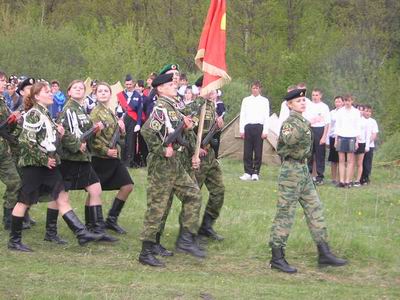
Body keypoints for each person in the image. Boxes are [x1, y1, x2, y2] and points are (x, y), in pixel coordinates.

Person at [8, 82, 102, 252]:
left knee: (61, 197)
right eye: (47, 92)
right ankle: (14, 241)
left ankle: (81, 233)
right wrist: (45, 160)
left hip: (48, 165)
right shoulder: (33, 114)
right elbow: (26, 143)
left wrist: (58, 133)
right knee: (24, 201)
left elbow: (48, 141)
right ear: (37, 96)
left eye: (51, 91)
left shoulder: (46, 114)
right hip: (34, 166)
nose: (51, 94)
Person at [268, 88, 347, 273]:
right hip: (290, 172)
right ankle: (277, 257)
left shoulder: (302, 121)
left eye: (304, 100)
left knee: (315, 207)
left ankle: (324, 253)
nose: (302, 103)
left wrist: (307, 123)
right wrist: (307, 124)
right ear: (290, 105)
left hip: (303, 170)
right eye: (298, 101)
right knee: (285, 213)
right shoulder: (290, 123)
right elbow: (288, 140)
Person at [138, 73, 204, 267]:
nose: (175, 86)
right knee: (157, 207)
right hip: (162, 165)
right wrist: (161, 149)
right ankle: (146, 251)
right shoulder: (161, 108)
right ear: (160, 89)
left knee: (193, 195)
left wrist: (185, 128)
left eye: (174, 83)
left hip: (175, 163)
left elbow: (171, 130)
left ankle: (184, 238)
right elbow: (147, 131)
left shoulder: (173, 107)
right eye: (170, 84)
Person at [57, 80, 118, 243]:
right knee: (60, 195)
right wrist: (78, 146)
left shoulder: (81, 109)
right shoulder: (68, 109)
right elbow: (65, 134)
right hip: (71, 158)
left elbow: (84, 132)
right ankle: (84, 232)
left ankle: (95, 229)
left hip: (81, 157)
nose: (78, 90)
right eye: (75, 88)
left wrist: (94, 130)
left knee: (95, 189)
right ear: (69, 92)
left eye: (81, 88)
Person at [90, 82, 134, 234]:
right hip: (100, 158)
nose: (103, 93)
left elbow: (116, 135)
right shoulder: (95, 113)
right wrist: (105, 151)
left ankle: (111, 219)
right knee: (94, 191)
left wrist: (121, 130)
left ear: (110, 94)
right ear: (95, 95)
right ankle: (92, 223)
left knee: (128, 185)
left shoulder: (111, 111)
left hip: (114, 157)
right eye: (100, 91)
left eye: (105, 91)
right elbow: (92, 139)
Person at [194, 90, 225, 241]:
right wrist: (196, 147)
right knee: (193, 195)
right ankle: (188, 232)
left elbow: (211, 131)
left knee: (219, 190)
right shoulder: (196, 106)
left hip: (210, 155)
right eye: (210, 90)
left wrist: (218, 126)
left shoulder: (213, 107)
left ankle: (206, 226)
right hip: (198, 157)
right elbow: (186, 129)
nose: (214, 93)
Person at [0, 70, 22, 231]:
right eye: (1, 81)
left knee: (15, 182)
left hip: (4, 150)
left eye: (4, 81)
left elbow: (8, 127)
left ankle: (8, 218)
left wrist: (14, 119)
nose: (3, 84)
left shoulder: (3, 102)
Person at [239, 80, 270, 181]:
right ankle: (247, 171)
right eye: (253, 88)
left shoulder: (265, 101)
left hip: (259, 127)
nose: (255, 90)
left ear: (260, 89)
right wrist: (241, 129)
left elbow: (266, 116)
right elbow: (242, 115)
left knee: (258, 151)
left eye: (257, 88)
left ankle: (256, 172)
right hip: (248, 127)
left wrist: (265, 130)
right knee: (247, 151)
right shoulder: (246, 100)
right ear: (251, 89)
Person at [303, 88, 330, 185]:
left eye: (316, 95)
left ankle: (320, 176)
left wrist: (324, 137)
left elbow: (327, 123)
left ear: (321, 96)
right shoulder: (308, 106)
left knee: (320, 155)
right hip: (310, 129)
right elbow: (305, 120)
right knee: (309, 154)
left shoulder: (324, 107)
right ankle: (308, 175)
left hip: (320, 130)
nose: (314, 97)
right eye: (313, 95)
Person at [117, 74, 144, 168]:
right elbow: (118, 108)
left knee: (131, 141)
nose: (128, 86)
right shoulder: (121, 95)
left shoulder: (138, 95)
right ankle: (122, 160)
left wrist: (138, 123)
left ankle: (129, 161)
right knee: (122, 140)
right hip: (123, 119)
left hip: (133, 120)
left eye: (130, 84)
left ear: (133, 84)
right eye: (127, 84)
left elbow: (140, 111)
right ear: (125, 84)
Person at [334, 94, 361, 188]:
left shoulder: (356, 112)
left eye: (349, 101)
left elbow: (358, 127)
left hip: (352, 137)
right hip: (341, 136)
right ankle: (341, 181)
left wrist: (357, 140)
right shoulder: (340, 111)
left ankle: (348, 181)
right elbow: (337, 126)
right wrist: (336, 139)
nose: (347, 103)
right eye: (345, 101)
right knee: (341, 160)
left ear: (352, 101)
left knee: (350, 161)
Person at [353, 104, 371, 187]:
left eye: (362, 110)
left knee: (359, 163)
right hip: (353, 142)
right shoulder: (353, 119)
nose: (360, 111)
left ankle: (358, 180)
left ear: (364, 111)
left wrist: (367, 146)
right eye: (358, 109)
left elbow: (368, 135)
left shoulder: (366, 121)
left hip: (362, 143)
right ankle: (351, 179)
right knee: (351, 162)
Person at [327, 96, 344, 185]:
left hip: (343, 137)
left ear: (343, 103)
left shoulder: (345, 112)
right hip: (333, 136)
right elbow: (329, 125)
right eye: (336, 102)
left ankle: (341, 178)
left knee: (341, 159)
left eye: (339, 102)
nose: (338, 103)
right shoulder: (332, 113)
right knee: (333, 159)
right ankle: (333, 178)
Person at [361, 105, 378, 185]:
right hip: (360, 144)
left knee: (367, 162)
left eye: (369, 111)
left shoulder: (373, 121)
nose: (368, 113)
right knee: (360, 162)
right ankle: (360, 178)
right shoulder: (360, 120)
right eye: (366, 111)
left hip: (370, 145)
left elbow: (374, 134)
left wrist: (368, 142)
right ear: (363, 111)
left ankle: (366, 177)